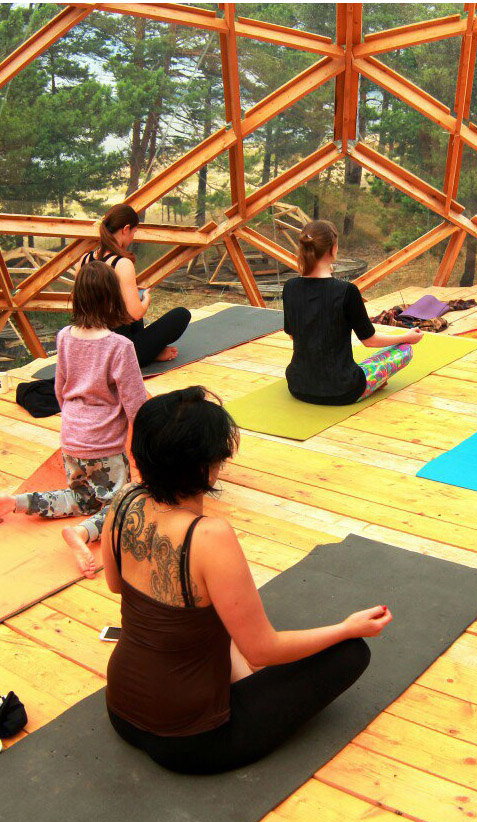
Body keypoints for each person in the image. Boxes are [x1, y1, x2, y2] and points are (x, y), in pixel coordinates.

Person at [103, 386, 392, 774]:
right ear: (209, 466)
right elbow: (262, 652)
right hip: (191, 741)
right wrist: (346, 628)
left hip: (121, 709)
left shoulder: (124, 501)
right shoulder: (209, 536)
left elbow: (116, 584)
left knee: (213, 617)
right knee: (351, 652)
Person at [0, 261, 147, 575]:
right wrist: (143, 450)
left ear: (77, 297)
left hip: (71, 441)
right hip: (105, 447)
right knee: (124, 505)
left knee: (82, 498)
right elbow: (136, 406)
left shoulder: (65, 336)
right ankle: (82, 533)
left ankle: (17, 503)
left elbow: (60, 387)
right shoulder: (120, 346)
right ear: (112, 299)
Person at [282, 219, 422, 405]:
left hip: (298, 385)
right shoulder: (347, 291)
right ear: (333, 249)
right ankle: (373, 382)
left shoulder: (290, 287)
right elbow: (370, 341)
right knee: (404, 350)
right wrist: (406, 337)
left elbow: (293, 335)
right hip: (342, 390)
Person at [81, 203, 191, 366]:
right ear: (126, 229)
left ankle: (150, 351)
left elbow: (83, 302)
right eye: (134, 232)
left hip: (92, 345)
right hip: (120, 350)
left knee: (128, 306)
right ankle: (146, 353)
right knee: (181, 314)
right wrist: (146, 298)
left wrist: (128, 292)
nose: (133, 237)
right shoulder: (121, 263)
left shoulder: (84, 259)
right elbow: (136, 314)